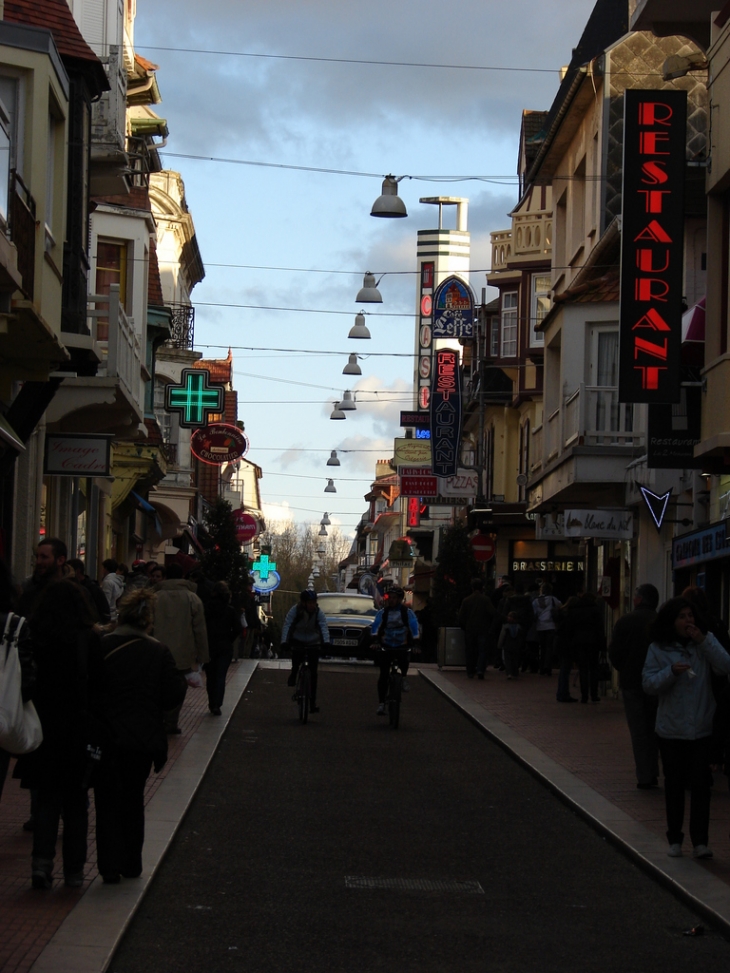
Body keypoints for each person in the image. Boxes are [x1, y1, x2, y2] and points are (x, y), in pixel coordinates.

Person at [13, 580, 103, 889]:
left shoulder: (36, 636)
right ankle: (74, 872)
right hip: (77, 728)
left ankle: (41, 865)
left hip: (42, 726)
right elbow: (100, 688)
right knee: (76, 804)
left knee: (46, 801)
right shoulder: (88, 640)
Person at [92, 589, 186, 883]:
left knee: (106, 802)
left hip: (107, 737)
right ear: (148, 620)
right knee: (133, 800)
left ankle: (108, 865)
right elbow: (173, 695)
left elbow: (89, 690)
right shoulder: (158, 652)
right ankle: (131, 861)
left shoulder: (103, 647)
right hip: (142, 738)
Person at [643, 597, 730, 859]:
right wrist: (671, 672)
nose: (687, 621)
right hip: (671, 729)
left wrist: (704, 640)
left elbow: (725, 665)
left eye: (690, 616)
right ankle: (675, 839)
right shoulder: (658, 648)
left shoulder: (704, 644)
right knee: (675, 785)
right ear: (672, 621)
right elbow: (648, 684)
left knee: (702, 786)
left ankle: (700, 841)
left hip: (702, 727)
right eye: (681, 616)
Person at [609, 583, 660, 789]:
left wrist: (624, 668)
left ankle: (645, 775)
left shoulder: (625, 621)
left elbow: (614, 654)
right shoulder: (660, 622)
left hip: (631, 682)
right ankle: (654, 769)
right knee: (655, 727)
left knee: (638, 730)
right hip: (657, 682)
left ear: (638, 599)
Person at [152, 563, 209, 734]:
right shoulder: (192, 598)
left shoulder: (154, 596)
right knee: (178, 686)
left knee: (156, 684)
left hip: (156, 649)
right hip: (183, 651)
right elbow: (199, 629)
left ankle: (157, 717)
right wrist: (202, 655)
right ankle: (171, 720)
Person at [370, 586, 419, 716]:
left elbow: (414, 627)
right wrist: (375, 641)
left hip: (402, 644)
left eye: (394, 598)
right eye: (389, 598)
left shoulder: (407, 613)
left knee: (405, 660)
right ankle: (381, 703)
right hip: (386, 645)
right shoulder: (383, 613)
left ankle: (403, 677)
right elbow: (376, 626)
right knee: (383, 675)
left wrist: (416, 643)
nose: (391, 600)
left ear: (399, 599)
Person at [281, 590, 330, 714]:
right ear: (303, 603)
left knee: (313, 674)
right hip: (298, 639)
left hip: (313, 642)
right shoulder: (295, 611)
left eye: (314, 602)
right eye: (309, 603)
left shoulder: (318, 613)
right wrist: (284, 642)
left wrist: (326, 642)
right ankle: (294, 673)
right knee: (296, 660)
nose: (312, 605)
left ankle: (312, 703)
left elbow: (323, 626)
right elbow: (288, 625)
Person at [203, 581, 242, 715]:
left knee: (211, 675)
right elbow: (238, 628)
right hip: (224, 645)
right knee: (220, 675)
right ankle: (217, 704)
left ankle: (211, 701)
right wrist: (229, 638)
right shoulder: (229, 610)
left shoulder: (206, 608)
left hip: (209, 645)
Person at [559, 590, 605, 703]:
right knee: (594, 669)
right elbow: (600, 629)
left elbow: (570, 629)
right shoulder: (595, 610)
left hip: (579, 643)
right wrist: (603, 646)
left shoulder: (575, 611)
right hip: (593, 643)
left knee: (583, 669)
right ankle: (594, 694)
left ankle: (584, 695)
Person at [18, 537, 68, 620]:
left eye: (44, 557)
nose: (38, 562)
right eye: (37, 557)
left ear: (60, 560)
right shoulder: (29, 591)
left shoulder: (76, 592)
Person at [458, 578, 496, 679]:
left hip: (470, 629)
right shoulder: (485, 600)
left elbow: (461, 616)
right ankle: (480, 669)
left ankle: (470, 671)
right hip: (483, 629)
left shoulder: (466, 600)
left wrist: (464, 626)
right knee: (482, 650)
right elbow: (493, 613)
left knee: (470, 650)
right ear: (482, 588)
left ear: (472, 588)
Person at [67, 558, 112, 626]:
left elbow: (103, 610)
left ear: (77, 571)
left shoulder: (92, 589)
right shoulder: (68, 588)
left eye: (68, 571)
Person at [533, 582, 562, 676]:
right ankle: (547, 667)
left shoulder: (536, 601)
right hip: (551, 625)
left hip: (540, 626)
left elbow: (534, 613)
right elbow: (560, 607)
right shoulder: (553, 599)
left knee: (542, 647)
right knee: (549, 647)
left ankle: (541, 667)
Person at [498, 611, 522, 679]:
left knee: (507, 660)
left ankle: (509, 673)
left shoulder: (506, 627)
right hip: (516, 646)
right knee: (515, 659)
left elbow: (502, 637)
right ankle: (515, 672)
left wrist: (499, 645)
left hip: (507, 645)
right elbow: (520, 638)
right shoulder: (519, 627)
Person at [100, 559, 124, 623]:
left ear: (106, 569)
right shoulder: (119, 581)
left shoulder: (107, 582)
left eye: (103, 568)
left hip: (109, 616)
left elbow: (106, 601)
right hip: (115, 615)